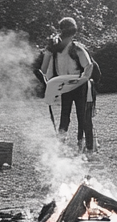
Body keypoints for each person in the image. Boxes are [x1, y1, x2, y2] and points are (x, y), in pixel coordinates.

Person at [39, 17, 96, 153]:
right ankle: (64, 145)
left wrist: (81, 80)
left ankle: (86, 146)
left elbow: (88, 67)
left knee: (81, 116)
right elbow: (49, 70)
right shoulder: (57, 49)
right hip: (66, 85)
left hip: (77, 85)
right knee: (69, 116)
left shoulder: (76, 49)